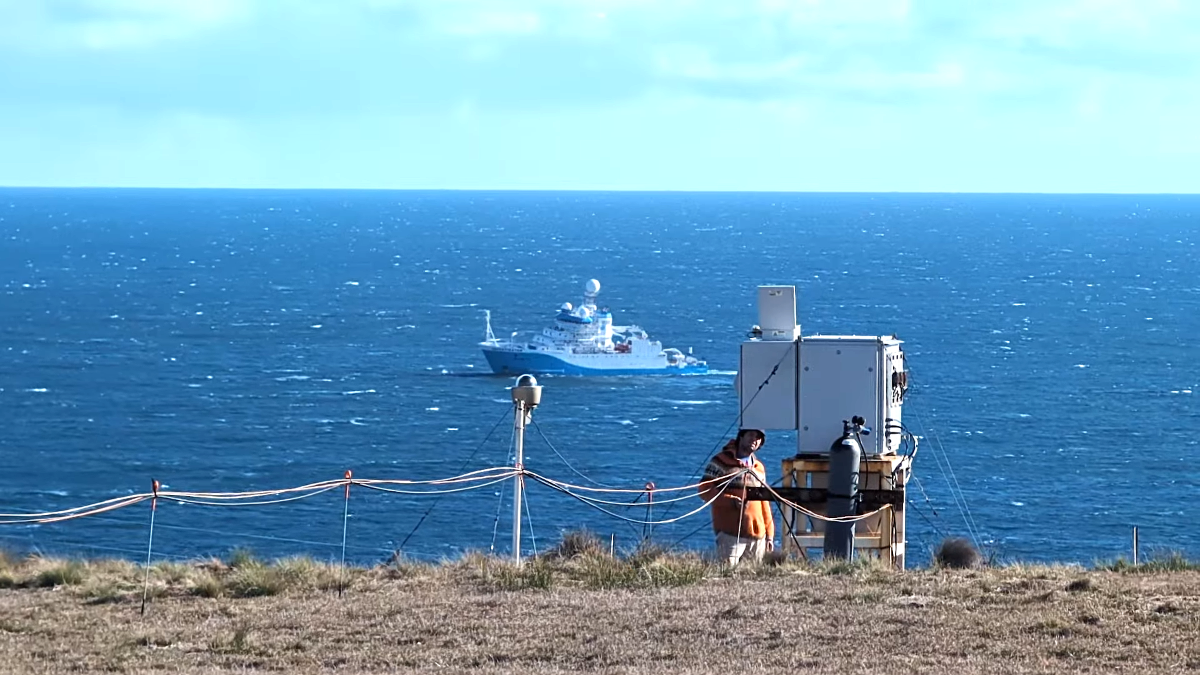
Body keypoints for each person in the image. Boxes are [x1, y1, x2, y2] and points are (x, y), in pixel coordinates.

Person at [698, 428, 775, 565]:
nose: (754, 440)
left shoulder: (758, 467)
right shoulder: (721, 461)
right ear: (741, 436)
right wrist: (730, 501)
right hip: (730, 534)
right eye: (751, 435)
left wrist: (769, 534)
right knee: (727, 576)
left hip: (758, 537)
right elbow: (704, 490)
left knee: (752, 579)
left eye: (758, 438)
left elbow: (764, 502)